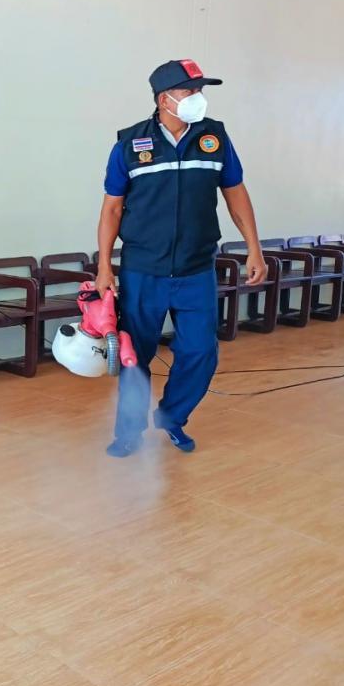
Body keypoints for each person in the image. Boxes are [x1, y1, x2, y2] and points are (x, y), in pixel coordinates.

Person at [96, 59, 267, 458]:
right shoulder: (129, 144)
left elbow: (236, 193)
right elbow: (112, 209)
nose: (197, 98)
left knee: (201, 351)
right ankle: (129, 432)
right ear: (164, 99)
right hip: (144, 269)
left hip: (196, 268)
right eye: (189, 91)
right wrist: (104, 266)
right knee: (134, 356)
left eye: (200, 91)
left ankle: (172, 416)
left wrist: (254, 248)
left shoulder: (214, 138)